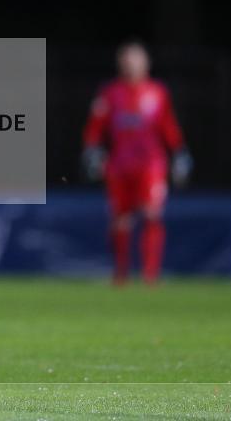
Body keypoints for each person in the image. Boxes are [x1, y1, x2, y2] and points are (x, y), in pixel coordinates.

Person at [82, 41, 191, 285]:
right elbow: (95, 127)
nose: (131, 65)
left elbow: (168, 126)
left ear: (146, 63)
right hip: (120, 164)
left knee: (152, 214)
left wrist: (179, 151)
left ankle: (150, 276)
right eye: (127, 60)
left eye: (135, 60)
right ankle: (121, 274)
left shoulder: (157, 92)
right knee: (120, 219)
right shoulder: (110, 93)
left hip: (151, 163)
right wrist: (91, 150)